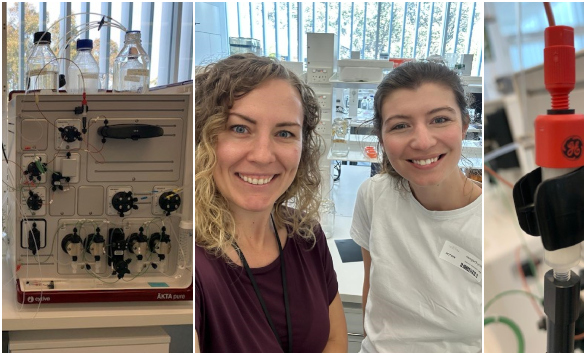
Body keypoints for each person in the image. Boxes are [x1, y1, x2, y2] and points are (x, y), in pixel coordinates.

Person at [194, 53, 347, 353]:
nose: (263, 155)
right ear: (203, 136)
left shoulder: (307, 236)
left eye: (284, 133)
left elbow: (334, 340)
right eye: (240, 128)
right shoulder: (191, 266)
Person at [351, 61, 482, 352]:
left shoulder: (494, 225)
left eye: (439, 120)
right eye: (400, 125)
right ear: (382, 138)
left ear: (464, 126)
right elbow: (374, 297)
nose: (422, 142)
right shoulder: (374, 196)